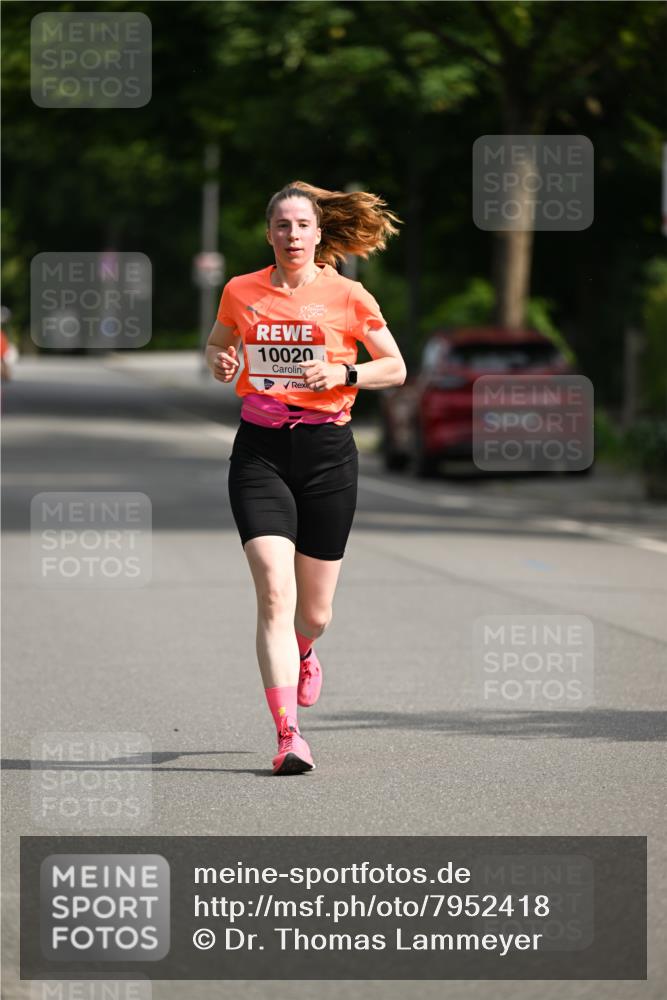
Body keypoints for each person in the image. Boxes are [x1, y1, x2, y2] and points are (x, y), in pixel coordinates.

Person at [205, 180, 406, 775]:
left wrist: (344, 371)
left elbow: (393, 368)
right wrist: (220, 361)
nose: (292, 235)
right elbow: (218, 347)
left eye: (302, 226)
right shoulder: (241, 291)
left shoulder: (348, 294)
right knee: (273, 590)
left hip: (327, 452)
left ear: (320, 236)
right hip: (260, 451)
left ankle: (306, 649)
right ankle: (289, 734)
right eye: (282, 226)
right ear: (269, 234)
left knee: (313, 613)